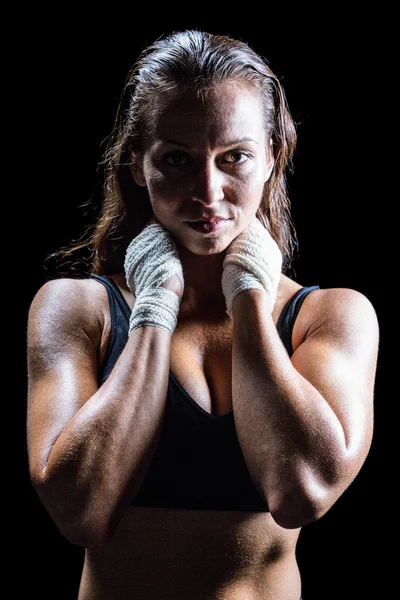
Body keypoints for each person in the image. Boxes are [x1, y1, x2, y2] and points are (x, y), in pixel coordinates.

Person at [26, 29, 379, 600]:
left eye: (234, 157)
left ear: (272, 158)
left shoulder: (330, 316)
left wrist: (248, 297)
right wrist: (155, 306)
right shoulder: (78, 307)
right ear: (138, 164)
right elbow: (82, 511)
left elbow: (302, 493)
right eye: (178, 160)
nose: (208, 191)